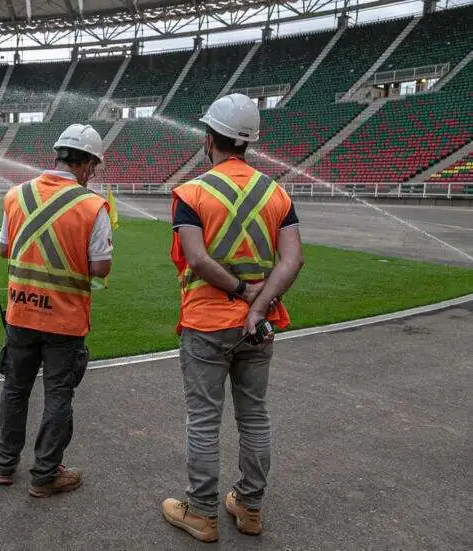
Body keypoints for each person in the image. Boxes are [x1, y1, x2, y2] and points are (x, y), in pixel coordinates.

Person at [161, 94, 305, 541]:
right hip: (258, 326)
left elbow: (198, 261)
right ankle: (250, 508)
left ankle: (202, 513)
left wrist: (240, 291)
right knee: (254, 417)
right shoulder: (277, 192)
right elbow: (292, 260)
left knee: (204, 419)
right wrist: (258, 306)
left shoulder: (192, 192)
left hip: (207, 321)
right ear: (250, 143)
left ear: (209, 139)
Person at [0, 124, 113, 498]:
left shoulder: (16, 195)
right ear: (87, 163)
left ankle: (4, 466)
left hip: (21, 314)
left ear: (58, 154)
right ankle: (45, 475)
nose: (92, 173)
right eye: (93, 166)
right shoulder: (92, 205)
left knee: (15, 390)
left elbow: (4, 249)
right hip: (64, 320)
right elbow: (101, 268)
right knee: (58, 395)